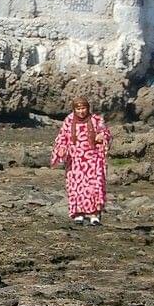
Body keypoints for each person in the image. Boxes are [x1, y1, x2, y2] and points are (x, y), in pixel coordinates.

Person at [50, 96, 111, 225]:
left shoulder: (96, 120)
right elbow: (62, 137)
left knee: (95, 186)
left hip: (93, 159)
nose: (81, 111)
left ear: (87, 108)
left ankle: (95, 214)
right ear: (74, 109)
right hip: (75, 159)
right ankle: (78, 213)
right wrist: (61, 149)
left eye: (83, 108)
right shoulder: (69, 120)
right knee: (76, 186)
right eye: (78, 109)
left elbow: (106, 133)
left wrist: (102, 136)